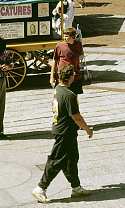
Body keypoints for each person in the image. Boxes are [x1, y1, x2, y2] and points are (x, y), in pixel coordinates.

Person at [32, 64, 93, 203]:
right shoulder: (69, 95)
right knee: (56, 161)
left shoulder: (58, 89)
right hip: (64, 132)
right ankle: (41, 188)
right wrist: (88, 130)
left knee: (72, 159)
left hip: (66, 131)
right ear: (70, 77)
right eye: (73, 75)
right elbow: (76, 117)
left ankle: (76, 187)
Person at [50, 28, 85, 94]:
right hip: (62, 76)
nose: (64, 38)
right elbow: (55, 60)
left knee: (74, 95)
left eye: (66, 36)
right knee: (61, 94)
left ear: (73, 37)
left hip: (74, 76)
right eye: (64, 36)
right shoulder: (59, 45)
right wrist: (52, 77)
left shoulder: (78, 45)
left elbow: (78, 58)